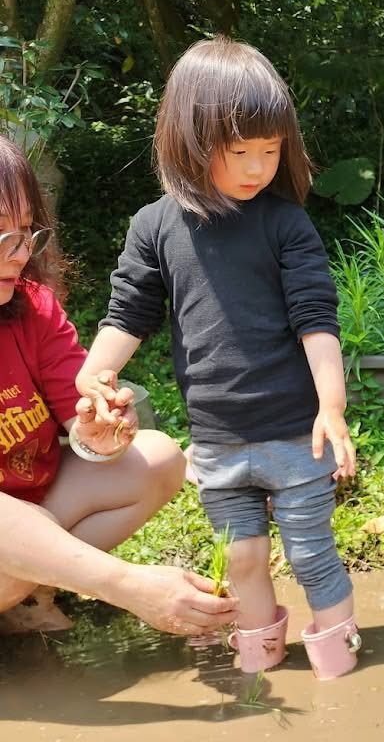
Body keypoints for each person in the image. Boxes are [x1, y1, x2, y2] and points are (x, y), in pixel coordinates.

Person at [77, 37, 360, 680]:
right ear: (189, 141)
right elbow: (129, 313)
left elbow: (316, 321)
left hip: (296, 434)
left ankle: (339, 668)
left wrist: (333, 407)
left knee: (313, 552)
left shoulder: (287, 225)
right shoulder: (154, 227)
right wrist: (96, 372)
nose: (258, 167)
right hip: (218, 441)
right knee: (242, 559)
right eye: (240, 152)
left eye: (271, 150)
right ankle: (259, 662)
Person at [0, 134, 237, 637]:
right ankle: (116, 587)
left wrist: (98, 436)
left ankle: (28, 594)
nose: (19, 254)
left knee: (156, 457)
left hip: (28, 524)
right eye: (1, 235)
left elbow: (79, 411)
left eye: (26, 234)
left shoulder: (33, 307)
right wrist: (128, 585)